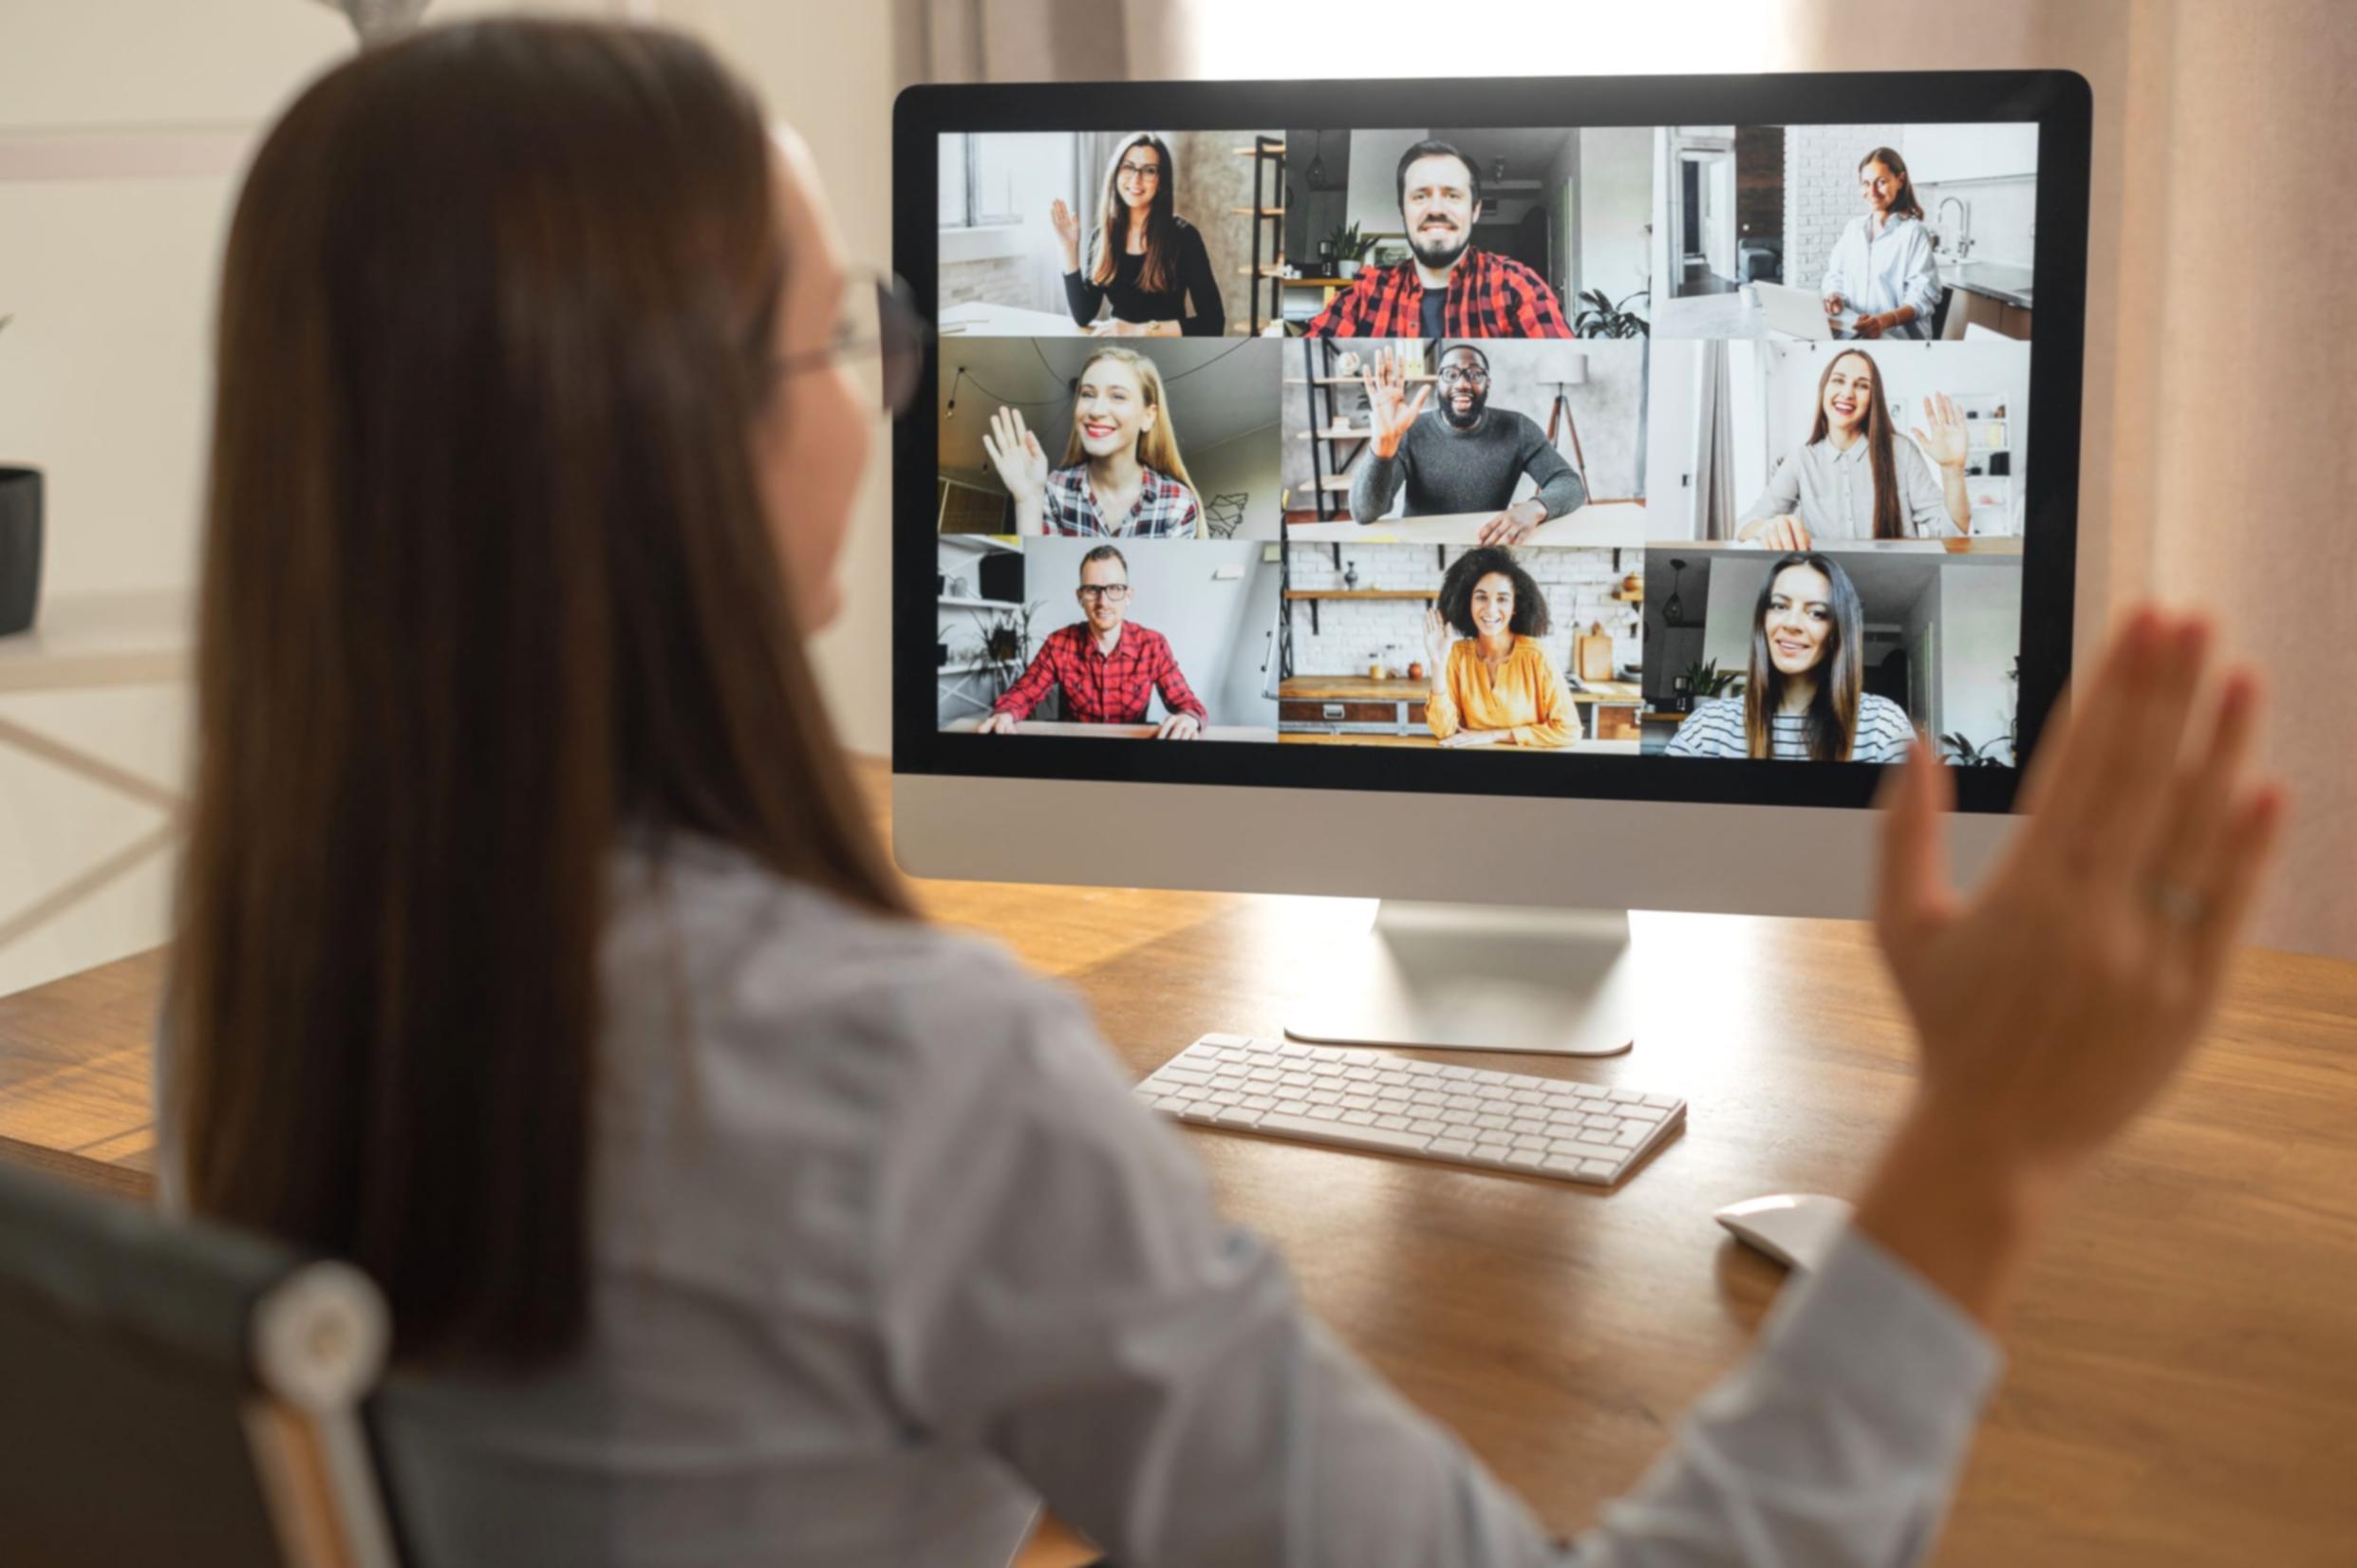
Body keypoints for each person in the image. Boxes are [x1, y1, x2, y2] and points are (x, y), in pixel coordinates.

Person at [164, 19, 2287, 1568]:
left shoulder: (257, 992)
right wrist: (1981, 1142)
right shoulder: (901, 1079)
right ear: (666, 433)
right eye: (845, 333)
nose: (888, 390)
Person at [1304, 140, 1572, 338]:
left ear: (1475, 210)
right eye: (1420, 196)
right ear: (1403, 210)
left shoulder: (1517, 287)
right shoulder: (1364, 294)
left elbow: (1566, 375)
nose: (1435, 210)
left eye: (1452, 195)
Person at [1667, 551, 1917, 761]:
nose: (1791, 623)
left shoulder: (1883, 724)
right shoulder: (1708, 724)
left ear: (1837, 631)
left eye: (1816, 613)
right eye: (1780, 606)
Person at [1352, 344, 1585, 543]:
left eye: (1474, 374)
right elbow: (1365, 513)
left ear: (1488, 383)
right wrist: (1383, 444)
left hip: (1486, 543)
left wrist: (1533, 509)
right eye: (1450, 374)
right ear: (1438, 382)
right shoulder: (1410, 430)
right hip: (1424, 545)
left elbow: (1569, 483)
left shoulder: (1518, 428)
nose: (1462, 384)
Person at [1739, 348, 1974, 547]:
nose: (1847, 393)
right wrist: (1768, 527)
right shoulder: (1801, 459)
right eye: (1838, 380)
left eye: (1862, 386)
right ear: (1824, 389)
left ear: (1873, 399)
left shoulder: (1902, 452)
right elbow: (1744, 526)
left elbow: (1952, 535)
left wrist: (1953, 471)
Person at [975, 545, 1206, 737]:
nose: (1103, 602)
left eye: (1114, 589)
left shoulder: (1153, 645)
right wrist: (1005, 713)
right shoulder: (1058, 643)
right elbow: (1024, 693)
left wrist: (1189, 718)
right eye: (1092, 590)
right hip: (1073, 755)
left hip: (1130, 755)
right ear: (1080, 597)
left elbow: (1187, 703)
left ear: (1128, 596)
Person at [981, 347, 1203, 537]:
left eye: (1118, 396)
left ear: (1148, 416)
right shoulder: (1055, 489)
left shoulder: (1178, 503)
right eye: (1087, 394)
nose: (1096, 410)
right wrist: (1028, 501)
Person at [1054, 132, 1225, 338]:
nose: (1136, 179)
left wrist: (1138, 330)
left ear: (1161, 181)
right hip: (1117, 350)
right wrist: (1069, 249)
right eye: (1128, 167)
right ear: (1116, 173)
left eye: (1149, 170)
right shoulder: (1102, 236)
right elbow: (1083, 315)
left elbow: (1213, 323)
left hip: (1167, 350)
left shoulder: (1184, 236)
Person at [1419, 546, 1579, 748]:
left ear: (1515, 606)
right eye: (1481, 597)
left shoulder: (1537, 655)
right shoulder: (1456, 654)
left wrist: (1494, 735)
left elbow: (1569, 730)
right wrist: (1437, 664)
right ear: (1468, 602)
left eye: (1502, 599)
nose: (1491, 609)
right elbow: (1443, 730)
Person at [1821, 145, 1942, 342]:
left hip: (1896, 341)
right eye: (1866, 183)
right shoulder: (1853, 229)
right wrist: (1834, 295)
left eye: (1881, 182)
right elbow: (1835, 275)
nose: (1873, 191)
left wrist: (1884, 321)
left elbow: (1923, 296)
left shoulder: (1913, 232)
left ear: (1900, 180)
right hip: (1854, 337)